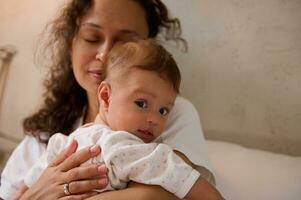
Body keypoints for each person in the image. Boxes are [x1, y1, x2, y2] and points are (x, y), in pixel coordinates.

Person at [0, 0, 220, 199]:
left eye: (125, 43)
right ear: (72, 44)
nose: (104, 54)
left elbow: (157, 195)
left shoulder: (172, 114)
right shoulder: (47, 135)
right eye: (92, 38)